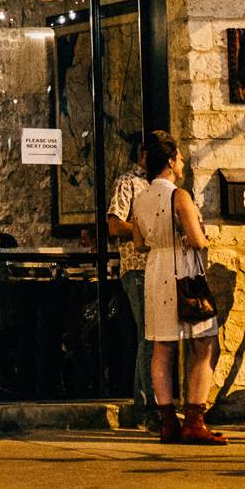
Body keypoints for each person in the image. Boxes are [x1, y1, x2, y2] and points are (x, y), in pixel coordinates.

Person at [125, 130, 225, 445]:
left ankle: (167, 421)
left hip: (155, 271)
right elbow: (197, 240)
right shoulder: (179, 195)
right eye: (179, 158)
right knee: (205, 342)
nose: (181, 163)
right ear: (170, 161)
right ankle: (194, 419)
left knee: (162, 346)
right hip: (183, 273)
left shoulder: (140, 198)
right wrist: (198, 235)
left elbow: (139, 243)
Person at [104, 140, 157, 429]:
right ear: (143, 153)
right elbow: (115, 225)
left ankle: (147, 405)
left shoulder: (160, 184)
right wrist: (150, 229)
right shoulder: (128, 182)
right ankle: (147, 409)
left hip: (159, 268)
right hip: (137, 268)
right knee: (147, 337)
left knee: (153, 339)